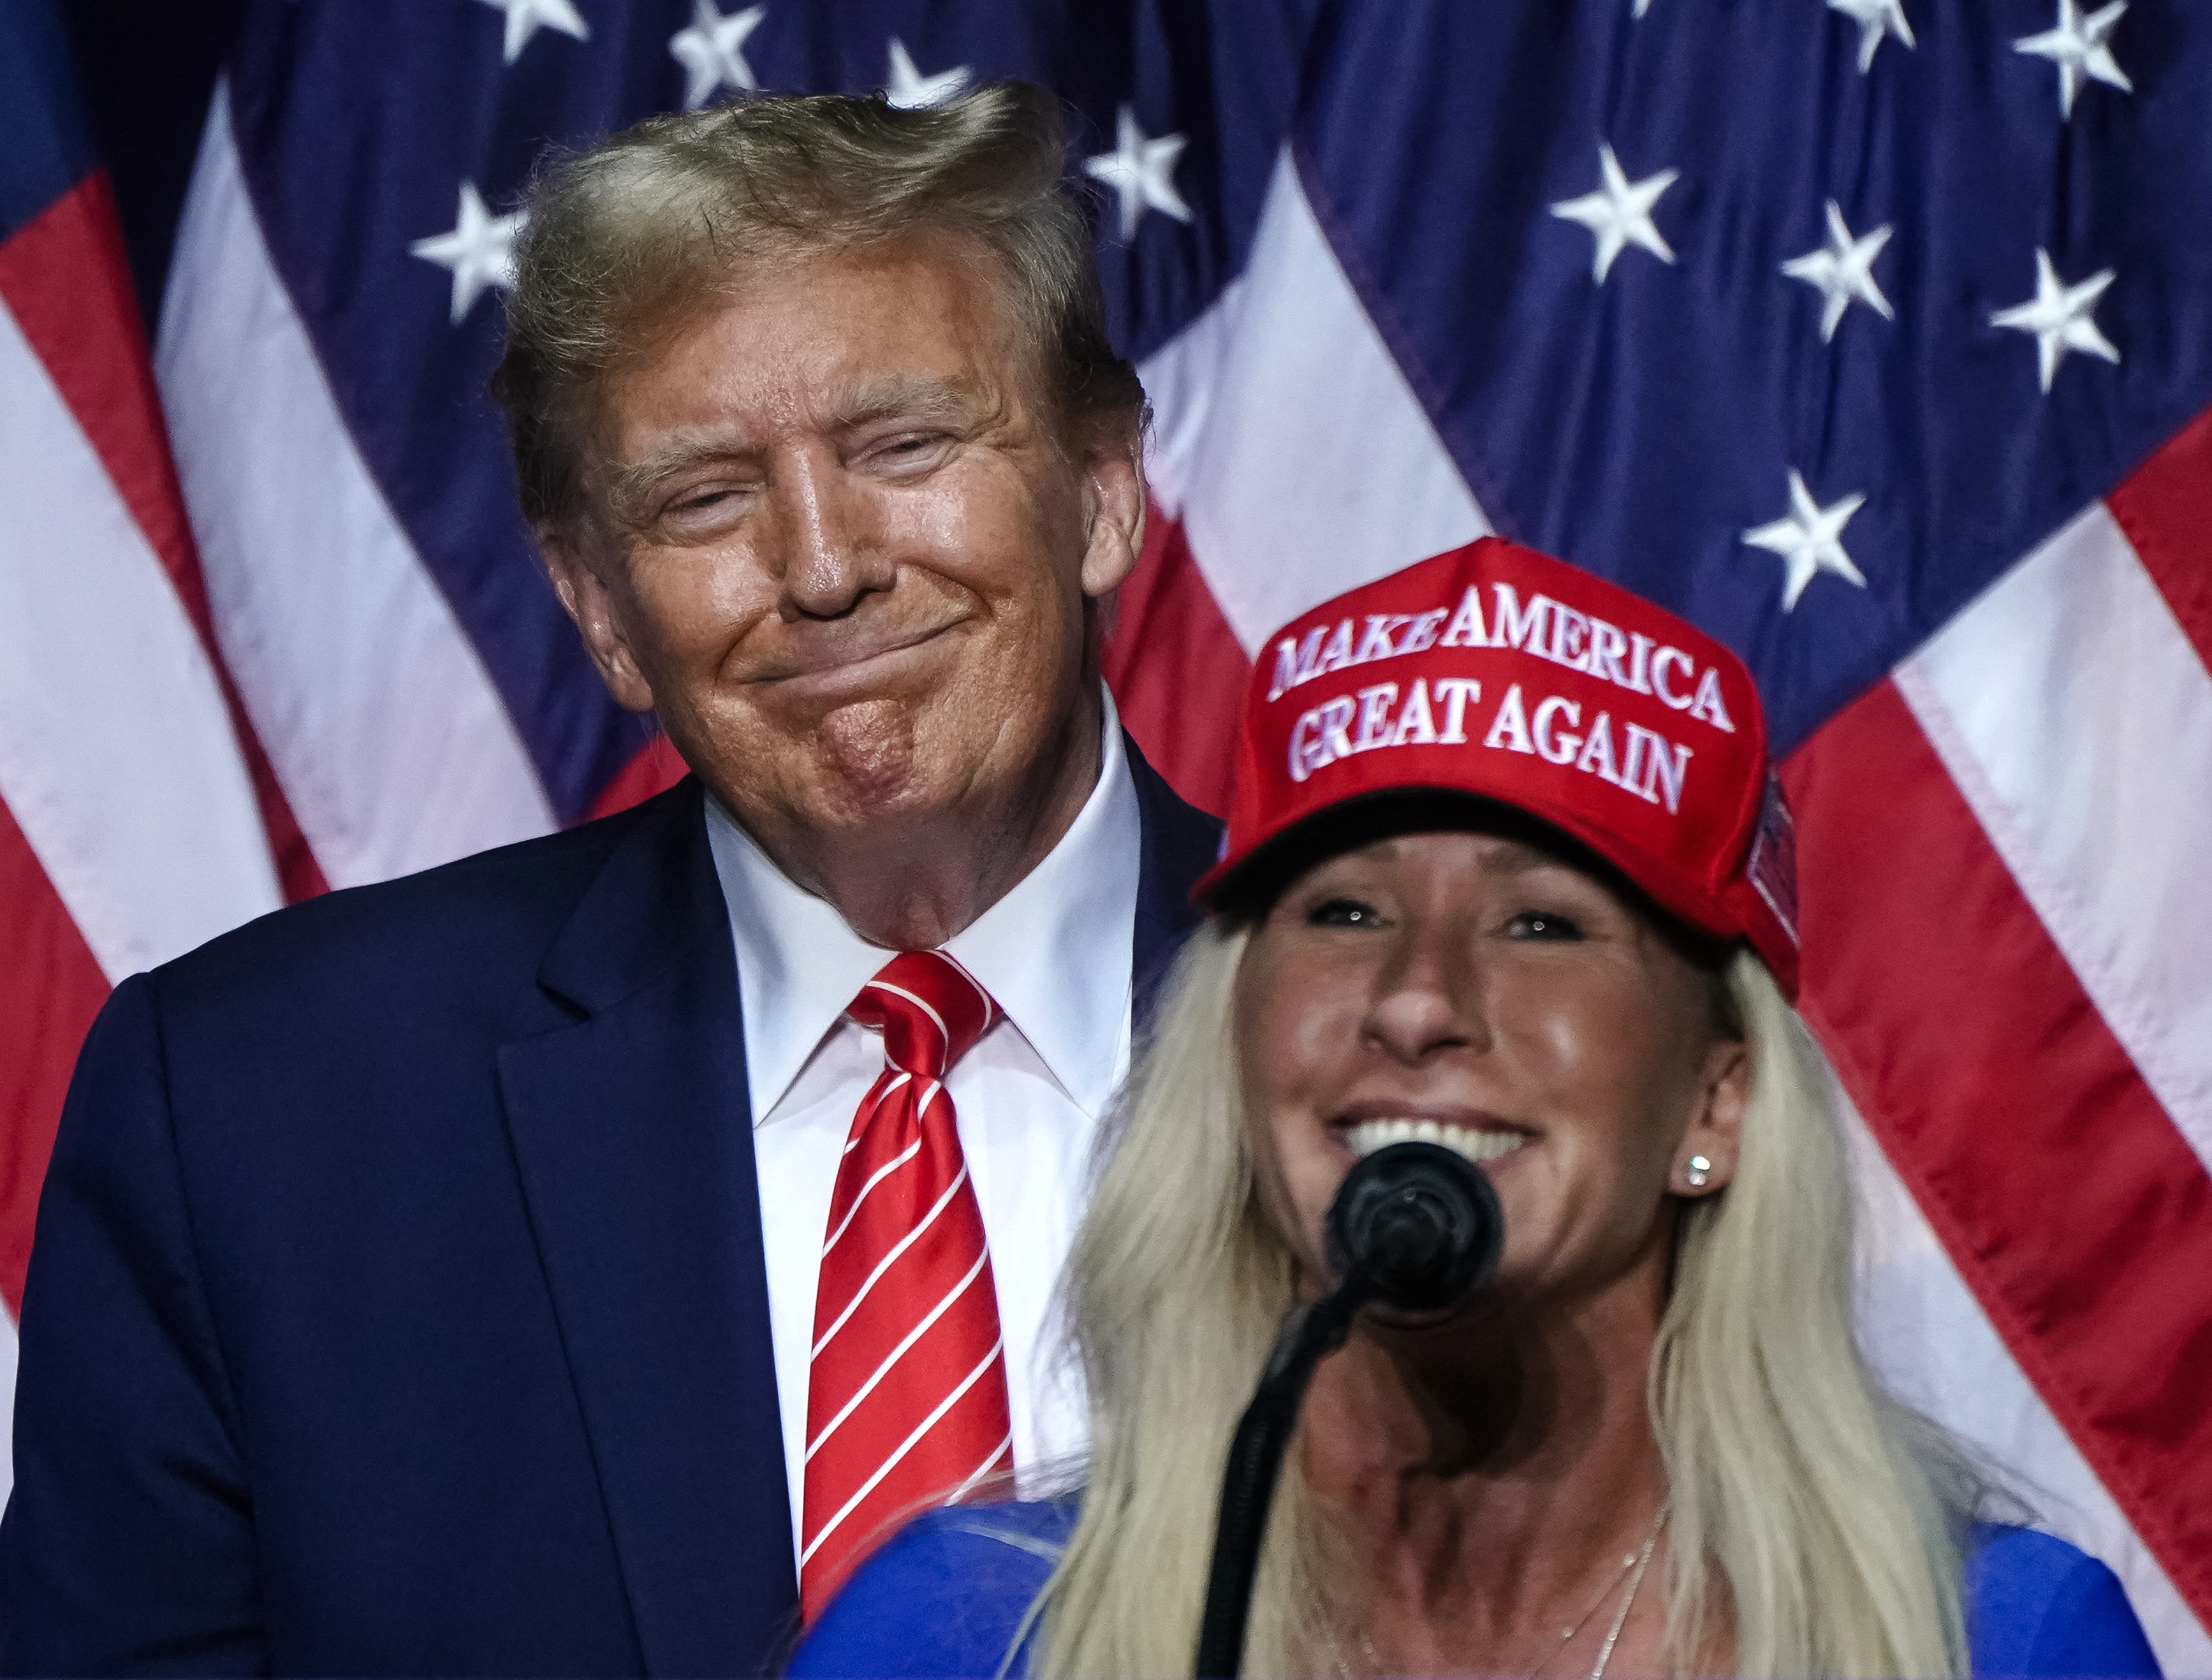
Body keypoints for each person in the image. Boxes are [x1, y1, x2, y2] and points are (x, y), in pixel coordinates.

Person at [0, 85, 1220, 1677]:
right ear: (600, 610)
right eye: (704, 496)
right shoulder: (260, 1116)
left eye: (903, 444)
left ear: (1104, 485)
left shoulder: (1391, 1040)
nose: (825, 563)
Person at [789, 537, 2161, 1679]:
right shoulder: (953, 1637)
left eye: (1539, 923)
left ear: (1717, 1093)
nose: (1416, 997)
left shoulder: (1990, 1643)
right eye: (1343, 909)